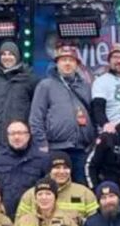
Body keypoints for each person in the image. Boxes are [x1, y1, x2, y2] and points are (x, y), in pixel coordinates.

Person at [29, 44, 95, 183]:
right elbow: (36, 117)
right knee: (55, 187)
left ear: (77, 64)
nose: (67, 63)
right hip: (55, 148)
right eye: (63, 60)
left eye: (71, 60)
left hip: (81, 149)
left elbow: (92, 115)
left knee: (81, 187)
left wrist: (91, 141)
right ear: (57, 64)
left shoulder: (85, 87)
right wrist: (42, 143)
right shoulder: (46, 85)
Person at [0, 40, 39, 156]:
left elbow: (36, 110)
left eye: (11, 54)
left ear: (18, 56)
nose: (7, 57)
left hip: (20, 142)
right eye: (3, 54)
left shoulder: (30, 79)